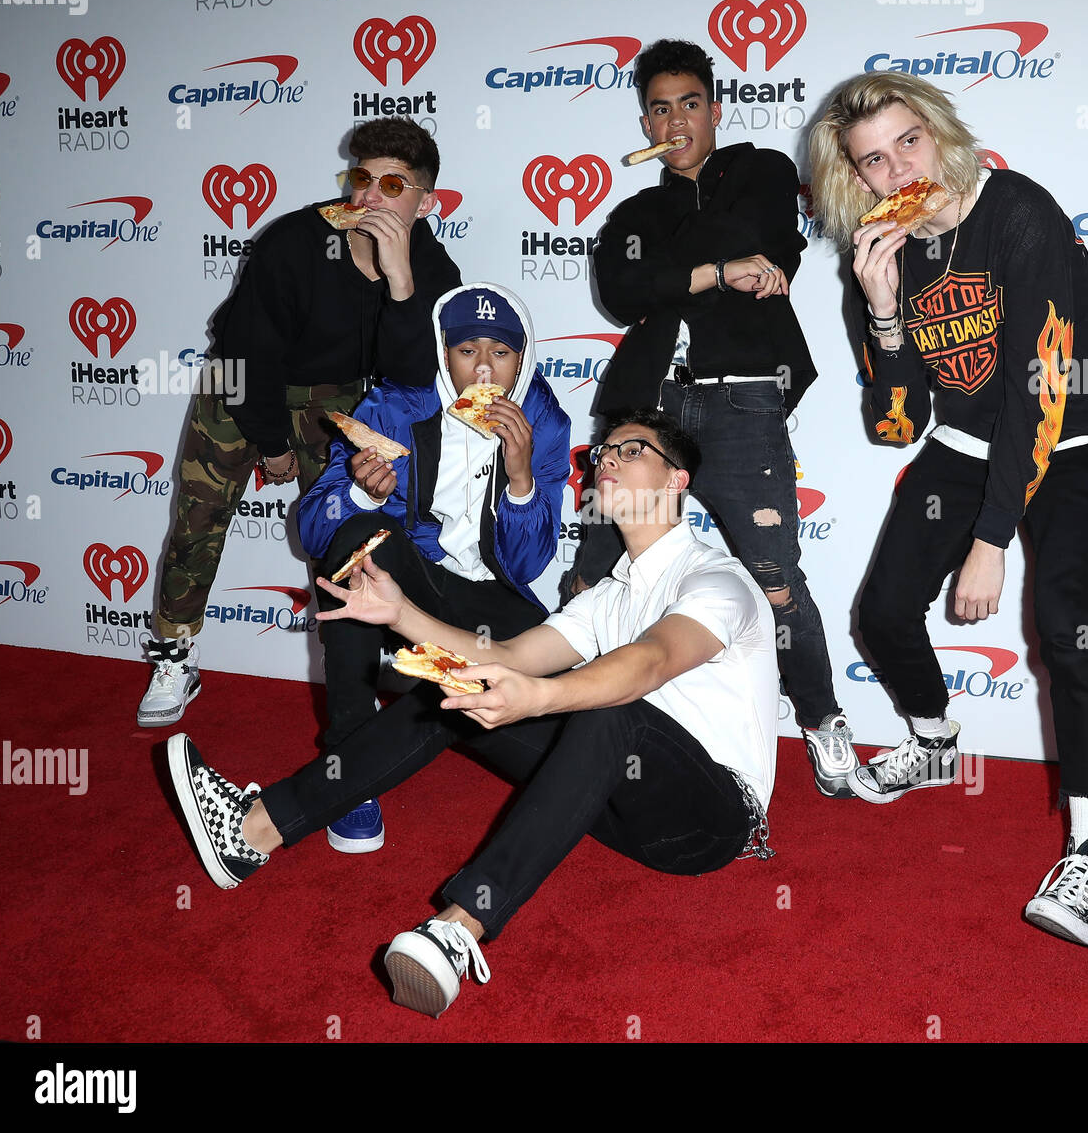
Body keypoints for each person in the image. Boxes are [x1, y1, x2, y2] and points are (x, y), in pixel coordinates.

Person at [167, 408, 778, 1018]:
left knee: (610, 709)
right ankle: (255, 830)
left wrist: (539, 696)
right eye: (603, 454)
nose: (607, 462)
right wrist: (401, 615)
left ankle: (460, 931)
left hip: (711, 818)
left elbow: (650, 662)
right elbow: (508, 652)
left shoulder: (716, 581)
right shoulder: (612, 595)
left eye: (632, 451)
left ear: (677, 482)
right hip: (619, 803)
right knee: (454, 684)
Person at [809, 72, 1088, 947]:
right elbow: (897, 424)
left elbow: (1040, 388)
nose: (896, 171)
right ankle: (933, 741)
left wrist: (992, 539)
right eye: (872, 162)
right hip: (966, 440)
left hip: (1070, 427)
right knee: (883, 611)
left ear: (940, 134)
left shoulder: (1018, 210)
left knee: (1069, 618)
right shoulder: (882, 252)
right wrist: (882, 312)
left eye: (908, 144)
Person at [585, 38, 855, 796]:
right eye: (660, 109)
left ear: (716, 108)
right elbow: (621, 290)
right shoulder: (636, 208)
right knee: (598, 568)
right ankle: (595, 728)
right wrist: (712, 273)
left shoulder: (762, 170)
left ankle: (823, 718)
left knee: (773, 575)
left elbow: (758, 246)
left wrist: (672, 273)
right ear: (644, 122)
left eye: (690, 105)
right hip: (646, 407)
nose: (675, 122)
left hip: (741, 396)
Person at [136, 118, 461, 728]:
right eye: (362, 177)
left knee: (345, 534)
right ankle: (175, 652)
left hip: (331, 395)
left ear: (427, 201)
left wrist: (400, 280)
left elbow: (411, 377)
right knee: (199, 516)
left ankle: (355, 669)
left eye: (393, 185)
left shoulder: (434, 270)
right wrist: (269, 442)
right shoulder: (297, 241)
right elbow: (247, 348)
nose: (369, 197)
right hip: (241, 380)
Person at [297, 282, 572, 852]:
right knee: (357, 538)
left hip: (491, 598)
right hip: (412, 582)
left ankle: (436, 709)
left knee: (563, 716)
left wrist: (521, 478)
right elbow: (312, 531)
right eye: (467, 350)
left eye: (501, 352)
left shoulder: (542, 419)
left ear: (524, 357)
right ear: (443, 353)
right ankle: (348, 759)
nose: (484, 372)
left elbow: (529, 562)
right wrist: (361, 494)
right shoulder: (394, 406)